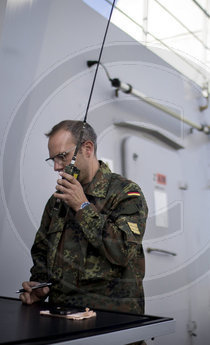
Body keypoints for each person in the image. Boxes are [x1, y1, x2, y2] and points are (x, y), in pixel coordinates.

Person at [20, 120, 148, 315]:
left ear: (87, 149)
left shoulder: (125, 193)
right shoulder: (57, 201)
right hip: (61, 315)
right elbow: (41, 250)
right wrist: (39, 287)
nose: (56, 166)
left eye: (62, 157)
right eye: (52, 159)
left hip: (111, 319)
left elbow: (123, 250)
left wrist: (83, 206)